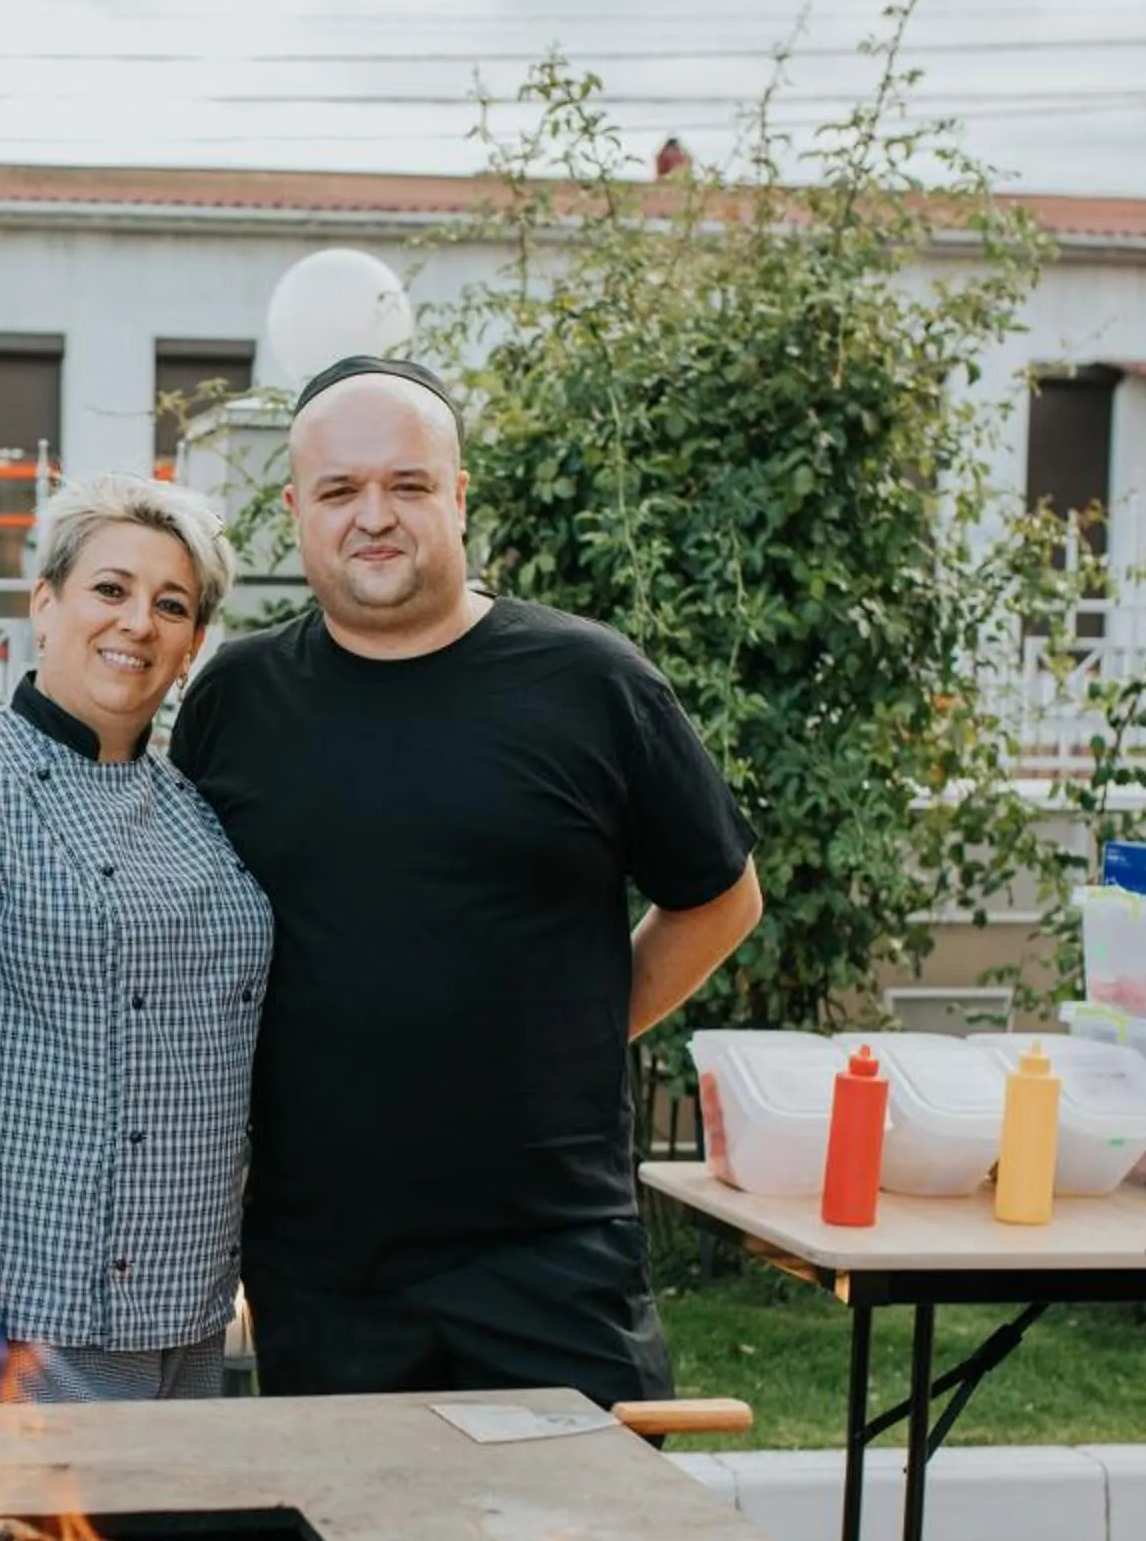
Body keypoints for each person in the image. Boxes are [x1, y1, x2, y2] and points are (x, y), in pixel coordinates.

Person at [168, 356, 763, 1408]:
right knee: (342, 1516)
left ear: (458, 496)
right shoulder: (236, 703)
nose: (374, 516)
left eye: (408, 484)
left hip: (551, 1247)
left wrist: (583, 1025)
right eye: (340, 490)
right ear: (297, 510)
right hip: (324, 1262)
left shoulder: (592, 683)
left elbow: (720, 898)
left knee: (582, 1513)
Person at [0, 472, 271, 1406]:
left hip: (190, 1300)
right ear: (45, 605)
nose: (137, 623)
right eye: (110, 589)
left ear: (193, 646)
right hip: (27, 1307)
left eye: (171, 606)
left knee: (176, 1511)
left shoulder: (193, 806)